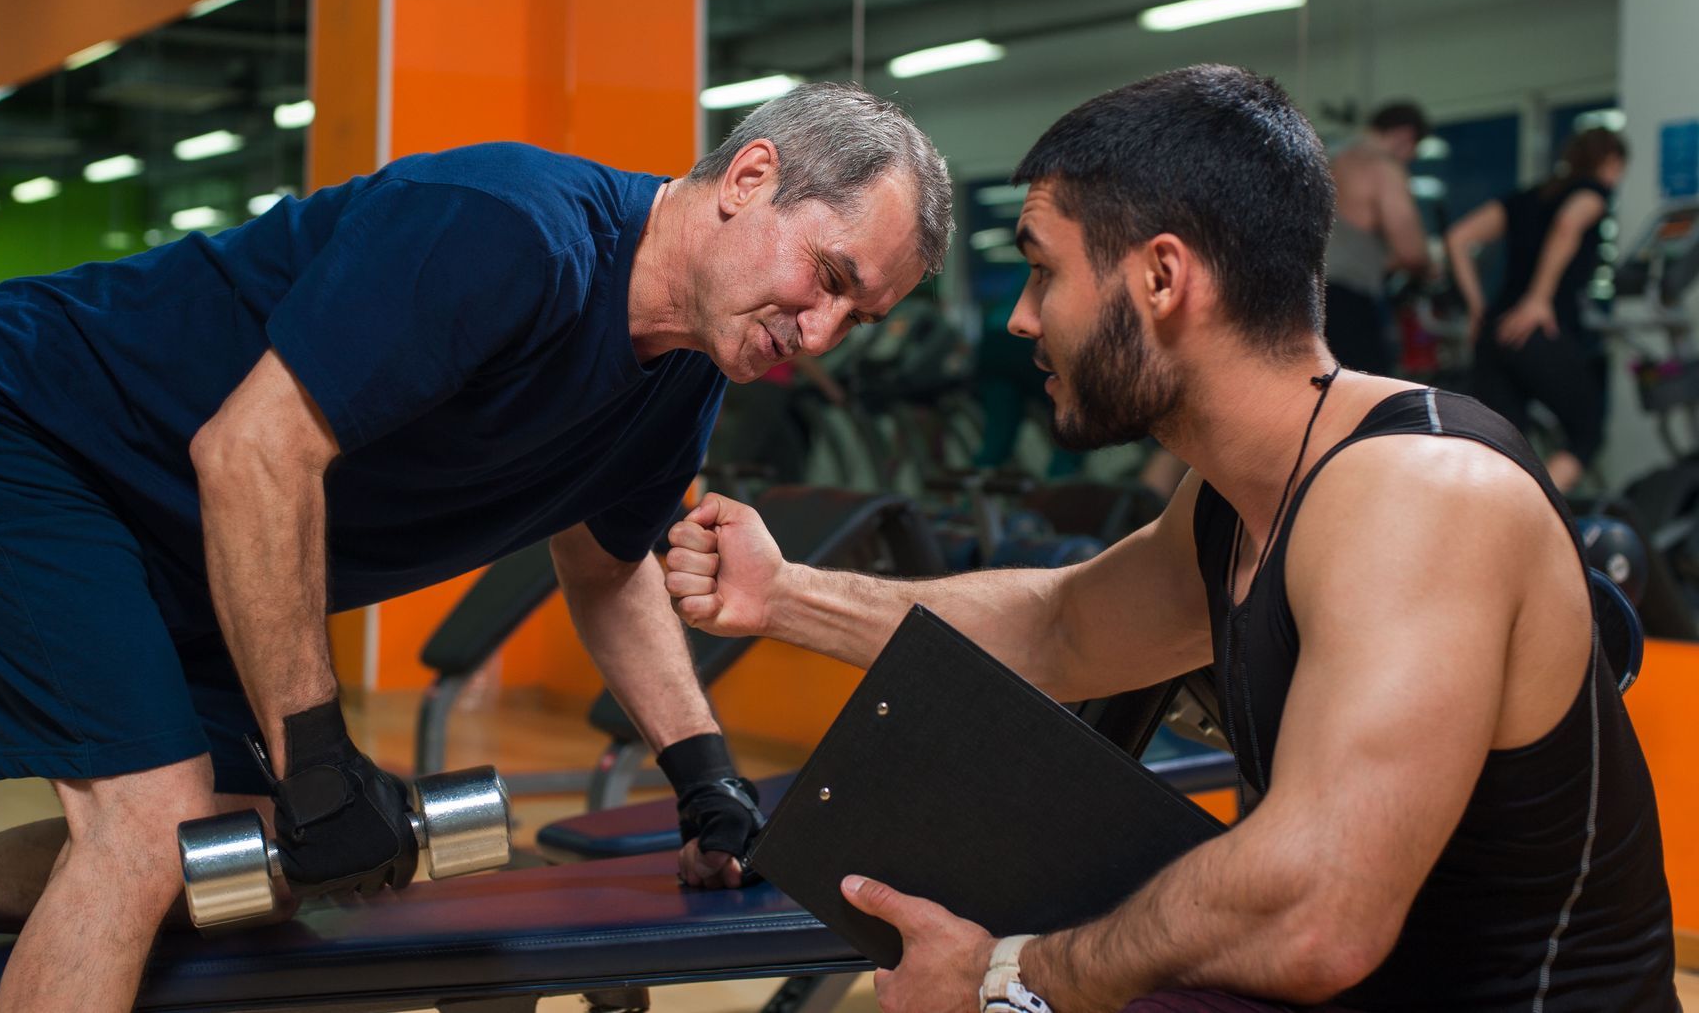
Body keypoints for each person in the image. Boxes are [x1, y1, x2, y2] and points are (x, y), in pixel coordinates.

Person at [0, 83, 952, 1013]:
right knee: (148, 841)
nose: (825, 332)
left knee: (237, 870)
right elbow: (252, 454)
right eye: (831, 278)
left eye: (862, 315)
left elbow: (605, 565)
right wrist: (317, 757)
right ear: (751, 178)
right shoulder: (512, 233)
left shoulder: (680, 383)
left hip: (192, 537)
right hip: (28, 422)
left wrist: (705, 778)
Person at [667, 66, 1674, 1012]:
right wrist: (784, 595)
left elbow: (1314, 913)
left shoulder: (1424, 492)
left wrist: (1015, 977)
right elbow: (1059, 628)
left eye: (1042, 270)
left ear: (1160, 278)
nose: (1021, 320)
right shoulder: (1237, 497)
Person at [1446, 127, 1627, 493]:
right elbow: (1566, 224)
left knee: (1504, 445)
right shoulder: (1592, 193)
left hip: (1495, 332)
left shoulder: (1528, 197)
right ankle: (1536, 518)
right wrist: (1539, 299)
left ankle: (1495, 527)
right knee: (1586, 433)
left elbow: (1458, 238)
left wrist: (1478, 310)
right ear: (1611, 162)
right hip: (1535, 332)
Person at [1322, 101, 1433, 374]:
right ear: (1404, 136)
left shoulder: (1329, 161)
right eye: (1412, 153)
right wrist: (1431, 268)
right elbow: (1411, 251)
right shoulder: (1382, 166)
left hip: (1305, 298)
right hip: (1347, 298)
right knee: (1367, 399)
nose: (1408, 160)